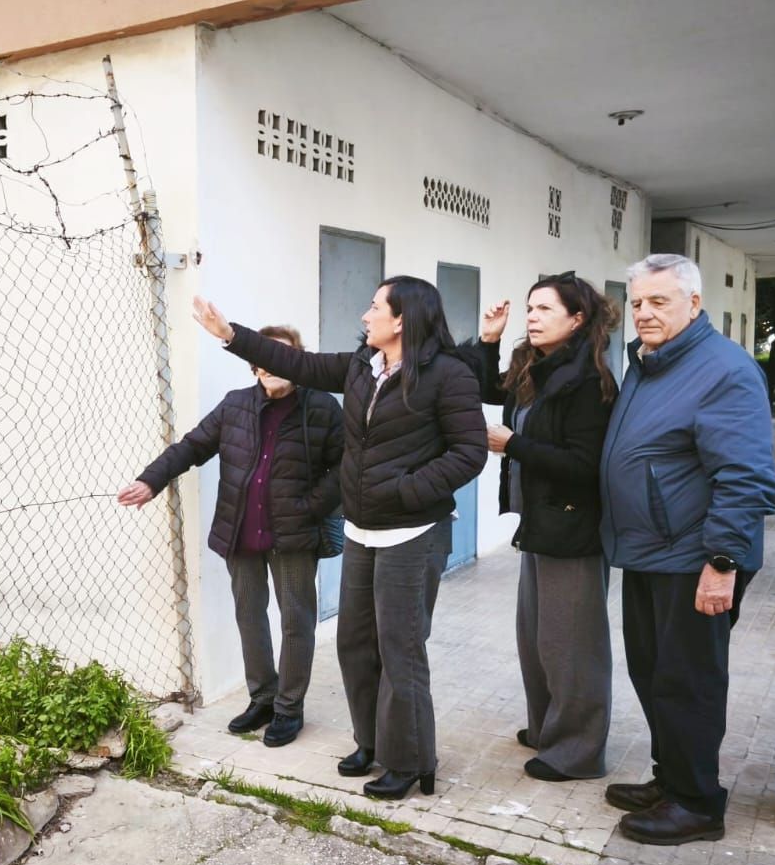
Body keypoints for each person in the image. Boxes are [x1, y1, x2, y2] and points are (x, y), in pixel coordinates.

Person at [190, 276, 488, 800]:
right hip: (363, 529)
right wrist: (230, 335)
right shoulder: (361, 366)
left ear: (402, 319)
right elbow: (297, 363)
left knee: (400, 650)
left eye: (375, 307)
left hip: (412, 531)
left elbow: (469, 452)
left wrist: (406, 489)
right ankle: (371, 742)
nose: (365, 316)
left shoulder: (448, 375)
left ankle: (410, 759)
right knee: (353, 644)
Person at [599, 253, 775, 845]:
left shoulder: (724, 370)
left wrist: (722, 562)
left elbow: (746, 476)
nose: (644, 313)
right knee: (655, 674)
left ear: (694, 303)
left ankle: (698, 804)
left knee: (689, 682)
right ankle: (671, 780)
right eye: (637, 303)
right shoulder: (650, 363)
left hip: (696, 557)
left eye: (659, 301)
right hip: (652, 550)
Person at [119, 325, 344, 748]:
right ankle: (263, 697)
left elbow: (344, 466)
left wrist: (310, 507)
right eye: (266, 358)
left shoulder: (323, 407)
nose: (273, 365)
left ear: (298, 362)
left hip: (294, 535)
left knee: (296, 621)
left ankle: (289, 708)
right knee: (249, 615)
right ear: (256, 365)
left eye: (283, 356)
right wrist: (152, 480)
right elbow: (192, 447)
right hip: (240, 530)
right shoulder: (236, 405)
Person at [467, 272, 617, 782]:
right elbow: (486, 387)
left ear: (577, 319)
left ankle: (577, 752)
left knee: (572, 646)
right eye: (530, 308)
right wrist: (489, 339)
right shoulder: (537, 366)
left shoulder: (589, 381)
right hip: (540, 522)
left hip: (573, 528)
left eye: (544, 309)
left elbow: (584, 464)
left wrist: (513, 445)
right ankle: (548, 728)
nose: (532, 317)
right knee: (536, 639)